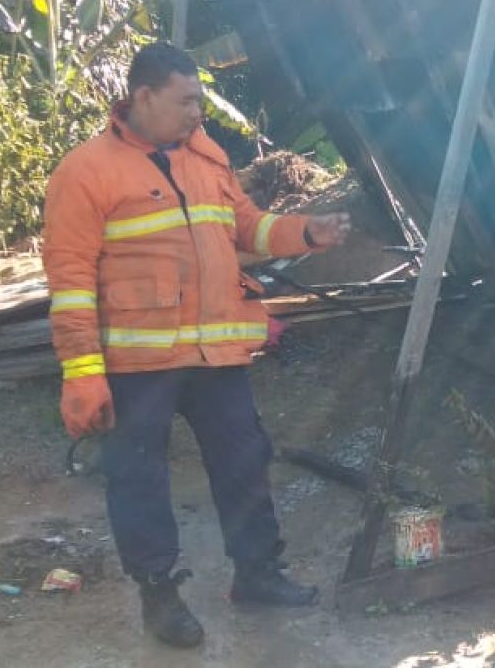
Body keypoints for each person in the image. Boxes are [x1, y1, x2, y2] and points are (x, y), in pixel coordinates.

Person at [42, 43, 351, 648]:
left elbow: (247, 228)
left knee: (244, 460)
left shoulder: (206, 157)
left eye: (201, 102)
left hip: (216, 358)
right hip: (138, 363)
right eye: (186, 101)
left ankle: (257, 574)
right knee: (139, 480)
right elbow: (70, 279)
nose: (197, 115)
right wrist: (82, 373)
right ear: (144, 96)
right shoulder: (85, 172)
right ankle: (160, 595)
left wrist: (304, 232)